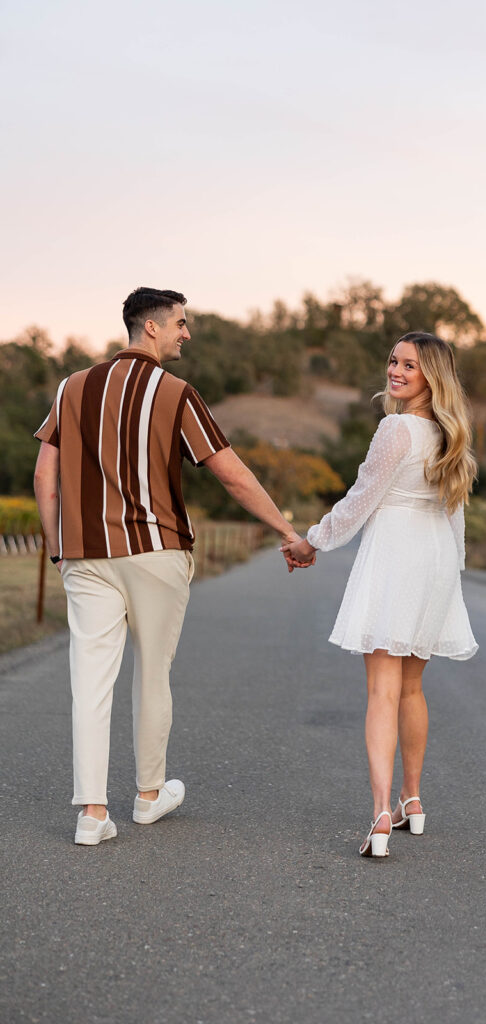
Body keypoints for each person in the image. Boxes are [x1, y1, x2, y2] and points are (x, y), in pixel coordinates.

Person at [34, 286, 306, 846]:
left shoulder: (71, 388)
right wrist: (285, 530)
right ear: (151, 327)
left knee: (90, 681)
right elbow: (228, 472)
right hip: (156, 551)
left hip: (85, 553)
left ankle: (91, 814)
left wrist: (56, 545)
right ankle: (149, 797)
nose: (186, 333)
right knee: (152, 673)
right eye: (180, 323)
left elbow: (45, 475)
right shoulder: (176, 393)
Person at [282, 332, 478, 858]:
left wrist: (310, 541)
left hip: (396, 556)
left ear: (430, 376)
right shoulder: (448, 433)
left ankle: (380, 818)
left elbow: (360, 499)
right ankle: (412, 800)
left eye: (409, 365)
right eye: (393, 360)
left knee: (382, 693)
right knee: (411, 688)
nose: (395, 370)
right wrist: (452, 571)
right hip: (433, 558)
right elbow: (454, 513)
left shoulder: (396, 429)